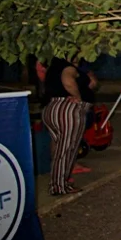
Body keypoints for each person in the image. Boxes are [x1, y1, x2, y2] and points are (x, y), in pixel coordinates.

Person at [42, 57, 95, 196]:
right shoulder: (66, 67)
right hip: (68, 109)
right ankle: (59, 186)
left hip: (52, 107)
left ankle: (59, 181)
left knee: (59, 146)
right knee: (67, 148)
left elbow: (91, 83)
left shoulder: (54, 68)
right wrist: (78, 98)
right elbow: (68, 81)